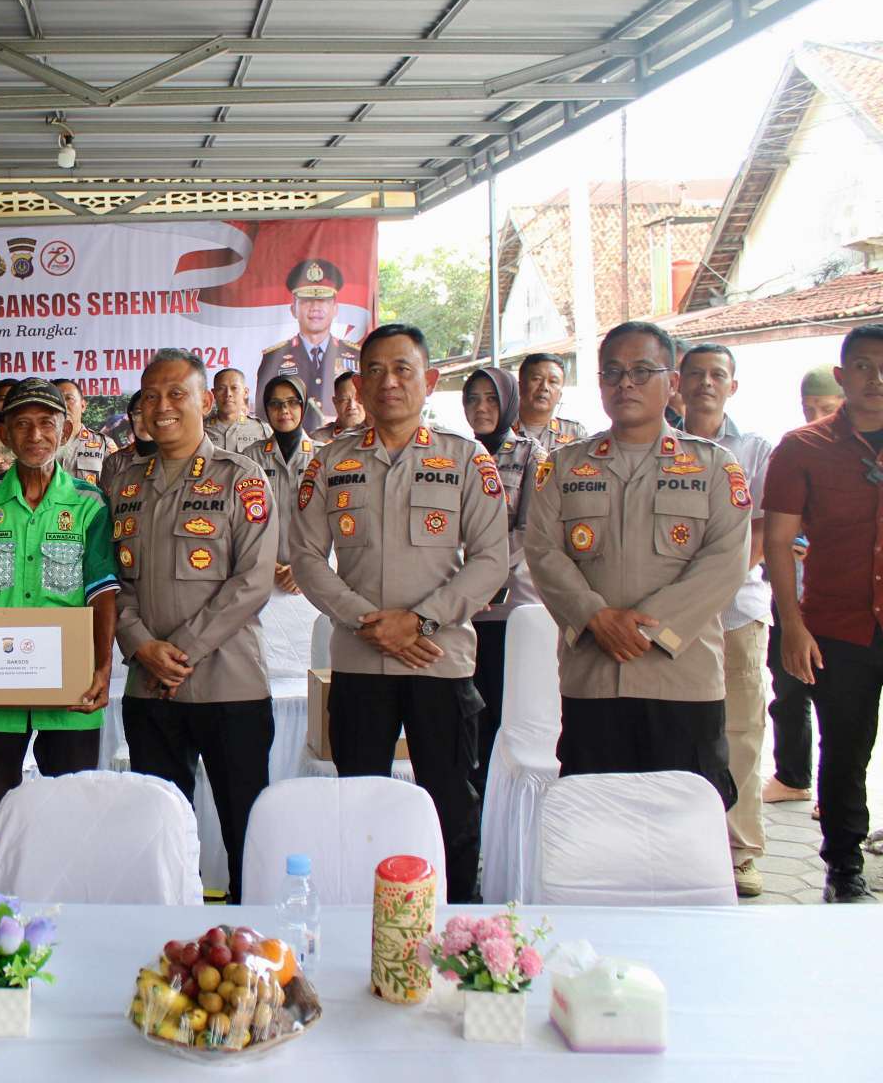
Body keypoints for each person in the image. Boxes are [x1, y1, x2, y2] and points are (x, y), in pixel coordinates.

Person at [293, 325, 508, 903]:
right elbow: (307, 558)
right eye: (375, 371)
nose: (389, 382)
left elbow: (492, 560)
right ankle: (358, 924)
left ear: (430, 380)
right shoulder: (329, 463)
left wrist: (420, 621)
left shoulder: (467, 460)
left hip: (440, 661)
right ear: (358, 383)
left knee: (450, 804)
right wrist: (370, 622)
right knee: (359, 802)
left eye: (403, 369)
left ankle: (458, 927)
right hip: (361, 666)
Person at [526, 322, 749, 815]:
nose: (625, 383)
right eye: (613, 372)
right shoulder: (561, 467)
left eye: (642, 371)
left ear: (672, 383)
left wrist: (649, 629)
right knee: (596, 822)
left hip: (682, 679)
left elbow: (725, 560)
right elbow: (542, 551)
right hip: (593, 677)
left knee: (684, 823)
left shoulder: (714, 467)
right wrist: (595, 617)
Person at [0, 378, 119, 890]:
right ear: (7, 436)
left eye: (46, 423)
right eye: (22, 424)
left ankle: (71, 928)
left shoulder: (88, 504)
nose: (35, 434)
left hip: (71, 692)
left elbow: (103, 592)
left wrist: (103, 667)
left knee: (72, 819)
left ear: (64, 432)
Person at [112, 347, 278, 903]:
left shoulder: (243, 479)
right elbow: (111, 583)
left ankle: (256, 951)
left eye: (176, 393)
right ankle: (167, 944)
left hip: (228, 687)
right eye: (151, 396)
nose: (162, 406)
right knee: (160, 835)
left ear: (206, 401)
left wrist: (175, 651)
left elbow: (251, 582)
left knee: (245, 830)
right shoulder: (125, 484)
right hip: (149, 690)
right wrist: (140, 646)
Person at [763, 325, 883, 903]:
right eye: (862, 366)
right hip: (838, 626)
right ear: (842, 376)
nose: (876, 379)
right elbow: (779, 542)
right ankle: (843, 865)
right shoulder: (801, 447)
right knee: (844, 751)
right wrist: (793, 625)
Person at [677, 343, 773, 898]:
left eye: (718, 375)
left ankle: (740, 852)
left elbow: (761, 534)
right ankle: (690, 844)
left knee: (740, 731)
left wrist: (706, 594)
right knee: (686, 731)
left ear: (732, 386)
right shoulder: (661, 447)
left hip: (734, 614)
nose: (706, 384)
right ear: (677, 385)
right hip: (669, 621)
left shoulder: (755, 449)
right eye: (696, 375)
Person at [459, 365, 547, 782]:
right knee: (465, 713)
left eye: (491, 398)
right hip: (458, 609)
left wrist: (483, 572)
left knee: (500, 710)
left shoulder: (531, 455)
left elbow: (531, 531)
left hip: (506, 607)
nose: (481, 407)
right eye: (473, 399)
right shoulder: (453, 454)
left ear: (509, 402)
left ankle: (499, 804)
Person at [763, 364, 844, 810]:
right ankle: (793, 776)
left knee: (841, 705)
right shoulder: (796, 448)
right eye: (808, 407)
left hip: (844, 604)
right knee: (789, 690)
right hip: (792, 597)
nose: (815, 416)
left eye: (826, 408)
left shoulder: (857, 454)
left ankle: (834, 790)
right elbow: (776, 530)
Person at [255, 258, 361, 421]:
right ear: (293, 310)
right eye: (306, 301)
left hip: (345, 443)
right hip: (293, 445)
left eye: (323, 300)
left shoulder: (356, 355)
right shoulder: (273, 358)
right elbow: (264, 414)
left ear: (335, 309)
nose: (315, 307)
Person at [243, 375, 314, 596]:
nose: (284, 410)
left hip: (311, 581)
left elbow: (333, 522)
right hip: (261, 575)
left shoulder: (322, 456)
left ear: (304, 406)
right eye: (275, 403)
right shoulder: (250, 457)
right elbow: (241, 521)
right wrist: (265, 561)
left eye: (293, 402)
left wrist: (304, 568)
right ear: (266, 409)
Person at [514, 352, 586, 451]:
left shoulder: (574, 432)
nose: (544, 387)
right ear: (519, 387)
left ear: (560, 395)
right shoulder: (502, 429)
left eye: (553, 381)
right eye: (536, 379)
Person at [53, 378, 112, 485]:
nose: (63, 405)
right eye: (56, 399)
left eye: (69, 398)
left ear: (83, 406)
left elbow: (116, 486)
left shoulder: (104, 444)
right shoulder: (39, 444)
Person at [206, 368, 275, 452]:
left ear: (245, 393)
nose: (228, 394)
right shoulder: (201, 430)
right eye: (221, 388)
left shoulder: (262, 430)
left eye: (234, 388)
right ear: (213, 394)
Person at [103, 391, 154, 492]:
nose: (145, 420)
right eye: (139, 413)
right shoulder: (116, 461)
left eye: (152, 412)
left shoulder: (181, 457)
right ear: (131, 418)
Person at [309, 370, 366, 445]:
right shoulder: (319, 439)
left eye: (357, 398)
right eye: (344, 399)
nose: (352, 406)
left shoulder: (382, 436)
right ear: (335, 402)